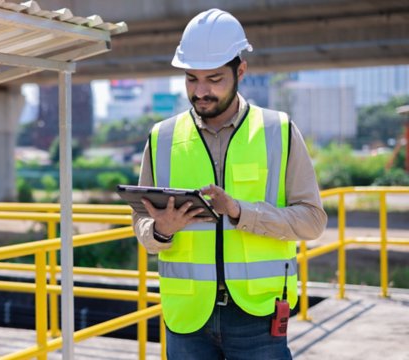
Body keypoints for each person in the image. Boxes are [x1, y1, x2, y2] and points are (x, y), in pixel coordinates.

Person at [132, 8, 327, 360]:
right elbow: (141, 226)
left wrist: (241, 212)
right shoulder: (161, 138)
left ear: (241, 71)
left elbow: (312, 221)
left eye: (214, 79)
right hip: (188, 318)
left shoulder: (278, 132)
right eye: (191, 79)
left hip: (257, 315)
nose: (201, 91)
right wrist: (160, 231)